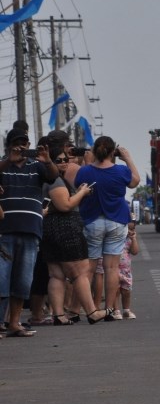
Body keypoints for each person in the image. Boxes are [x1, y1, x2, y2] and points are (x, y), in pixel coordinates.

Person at [0, 130, 60, 337]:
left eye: (24, 144)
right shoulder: (3, 164)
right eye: (17, 144)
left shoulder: (37, 166)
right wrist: (8, 160)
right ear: (9, 145)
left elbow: (53, 176)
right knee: (2, 279)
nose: (21, 148)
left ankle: (14, 323)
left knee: (23, 281)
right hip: (5, 230)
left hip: (31, 230)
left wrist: (47, 160)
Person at [74, 136, 140, 320]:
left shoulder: (85, 171)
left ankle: (88, 309)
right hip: (116, 221)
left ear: (94, 151)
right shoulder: (120, 171)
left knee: (89, 269)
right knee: (112, 268)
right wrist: (127, 158)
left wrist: (88, 163)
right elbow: (135, 181)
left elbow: (79, 185)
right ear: (113, 152)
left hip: (92, 221)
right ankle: (111, 310)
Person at [40, 144, 101, 326]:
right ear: (49, 161)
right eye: (58, 160)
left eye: (66, 159)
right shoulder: (54, 180)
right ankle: (92, 312)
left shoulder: (46, 179)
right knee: (80, 272)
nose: (64, 163)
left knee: (56, 274)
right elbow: (65, 205)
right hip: (64, 228)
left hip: (49, 229)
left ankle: (59, 315)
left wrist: (78, 192)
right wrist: (82, 193)